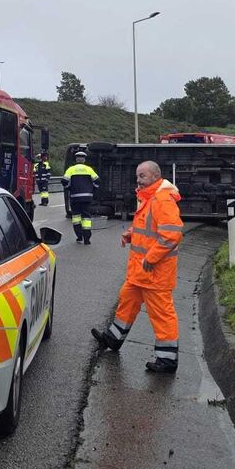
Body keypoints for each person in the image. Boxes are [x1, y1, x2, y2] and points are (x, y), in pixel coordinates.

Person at [91, 161, 183, 373]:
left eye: (142, 176)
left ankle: (167, 360)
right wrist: (131, 233)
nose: (138, 180)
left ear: (155, 176)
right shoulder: (149, 197)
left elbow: (171, 235)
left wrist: (151, 258)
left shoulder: (162, 199)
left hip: (155, 273)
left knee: (162, 314)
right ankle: (113, 339)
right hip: (141, 272)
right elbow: (149, 227)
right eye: (137, 176)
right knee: (127, 300)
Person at [61, 150, 100, 244]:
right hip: (87, 198)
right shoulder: (89, 169)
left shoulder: (71, 169)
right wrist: (92, 189)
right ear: (84, 160)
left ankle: (79, 236)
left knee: (76, 218)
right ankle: (87, 239)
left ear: (76, 160)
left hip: (75, 198)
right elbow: (98, 181)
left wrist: (69, 188)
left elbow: (64, 181)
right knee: (86, 218)